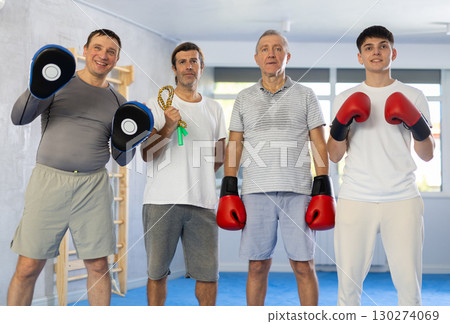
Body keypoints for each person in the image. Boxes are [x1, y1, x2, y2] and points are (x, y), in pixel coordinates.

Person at [8, 29, 134, 306]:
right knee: (28, 267)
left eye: (111, 51)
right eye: (98, 48)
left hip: (93, 187)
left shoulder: (119, 103)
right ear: (85, 50)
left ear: (116, 59)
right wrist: (37, 87)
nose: (103, 55)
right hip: (49, 182)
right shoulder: (59, 84)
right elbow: (19, 117)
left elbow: (122, 159)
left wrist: (131, 140)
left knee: (99, 268)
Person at [221, 30, 332, 306]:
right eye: (265, 49)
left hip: (299, 191)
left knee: (303, 265)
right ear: (257, 57)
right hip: (256, 192)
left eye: (277, 48)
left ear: (287, 56)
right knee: (257, 266)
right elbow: (235, 144)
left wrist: (323, 187)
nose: (271, 53)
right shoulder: (243, 98)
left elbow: (318, 142)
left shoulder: (306, 95)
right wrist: (229, 187)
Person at [327, 25, 435, 306]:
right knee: (348, 289)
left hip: (402, 198)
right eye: (369, 47)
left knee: (409, 289)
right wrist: (340, 125)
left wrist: (417, 125)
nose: (376, 51)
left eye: (383, 46)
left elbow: (427, 155)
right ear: (360, 57)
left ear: (393, 53)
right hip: (355, 198)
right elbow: (335, 155)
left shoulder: (413, 96)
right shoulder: (344, 98)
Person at [140, 42, 226, 306]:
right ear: (174, 69)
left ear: (201, 67)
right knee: (157, 274)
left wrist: (198, 177)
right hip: (161, 202)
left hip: (203, 203)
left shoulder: (215, 108)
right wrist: (168, 126)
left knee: (209, 276)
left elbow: (220, 155)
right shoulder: (156, 104)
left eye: (194, 61)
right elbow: (147, 154)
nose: (188, 66)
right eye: (182, 62)